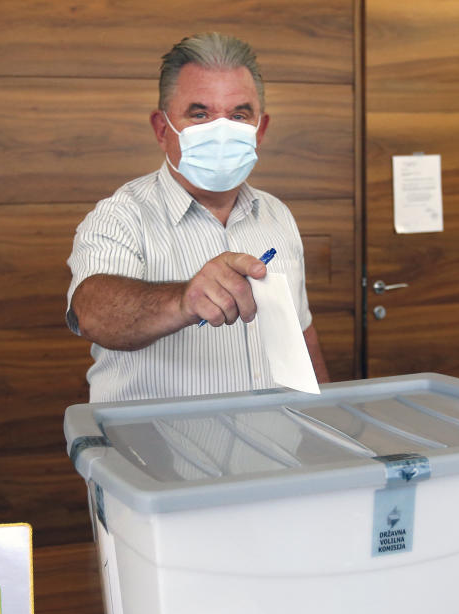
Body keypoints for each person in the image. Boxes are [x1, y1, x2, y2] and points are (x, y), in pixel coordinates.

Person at [66, 32, 329, 402]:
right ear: (162, 129)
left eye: (239, 115)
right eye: (200, 114)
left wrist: (325, 421)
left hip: (273, 449)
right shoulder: (120, 216)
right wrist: (183, 300)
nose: (220, 130)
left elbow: (301, 333)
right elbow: (92, 312)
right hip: (157, 453)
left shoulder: (277, 215)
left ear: (260, 129)